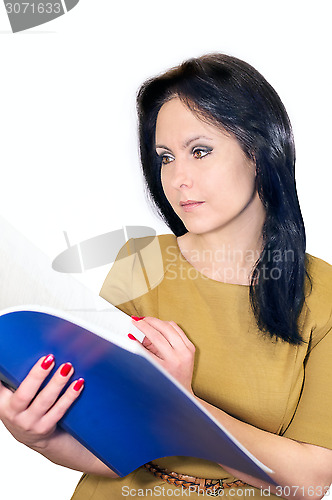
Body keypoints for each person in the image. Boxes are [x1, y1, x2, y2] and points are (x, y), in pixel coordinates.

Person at [1, 53, 332, 499]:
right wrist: (39, 437)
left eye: (200, 151)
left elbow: (310, 481)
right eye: (165, 157)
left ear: (261, 152)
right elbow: (113, 446)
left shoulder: (324, 295)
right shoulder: (139, 261)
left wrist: (182, 406)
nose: (176, 179)